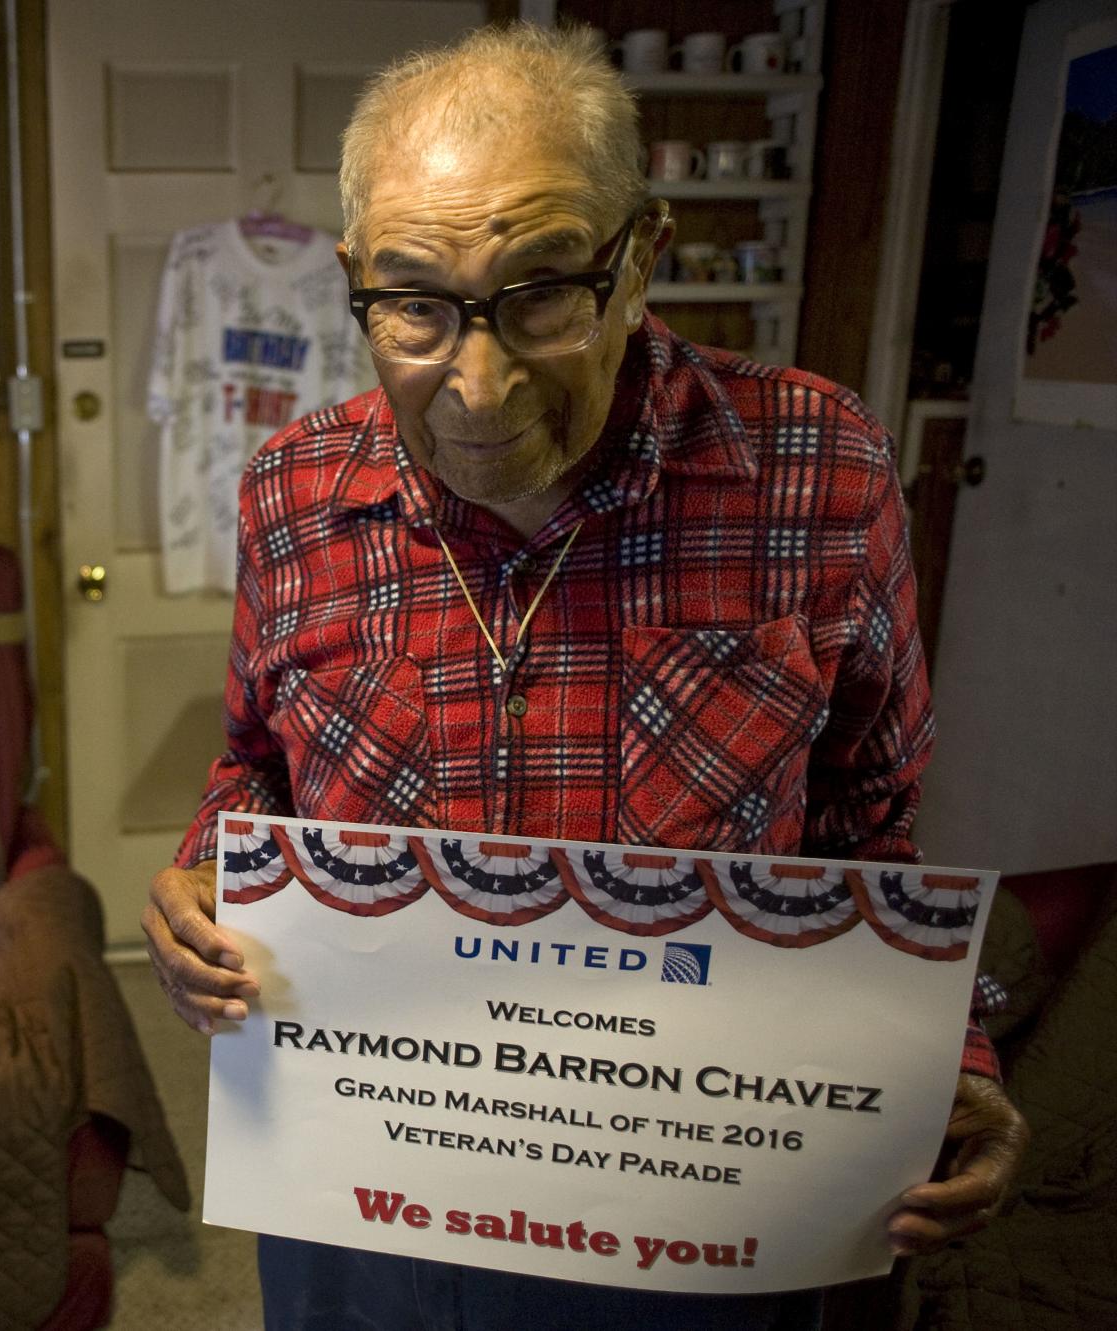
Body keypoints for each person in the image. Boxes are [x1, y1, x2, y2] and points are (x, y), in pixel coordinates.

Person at [140, 24, 1029, 1330]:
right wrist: (199, 876)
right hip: (369, 1186)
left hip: (698, 1203)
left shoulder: (815, 472)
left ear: (641, 258)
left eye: (545, 290)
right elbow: (256, 768)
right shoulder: (294, 490)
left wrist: (948, 1053)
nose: (480, 384)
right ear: (356, 278)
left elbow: (863, 824)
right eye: (415, 304)